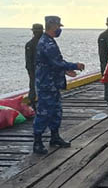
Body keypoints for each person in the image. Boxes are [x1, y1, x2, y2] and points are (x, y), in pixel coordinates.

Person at [33, 16, 85, 154]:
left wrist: (66, 70)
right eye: (58, 27)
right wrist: (75, 65)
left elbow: (54, 63)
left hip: (53, 83)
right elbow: (56, 62)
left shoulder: (49, 41)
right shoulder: (47, 43)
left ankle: (54, 137)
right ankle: (37, 142)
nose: (60, 29)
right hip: (46, 84)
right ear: (52, 26)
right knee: (44, 112)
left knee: (56, 111)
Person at [25, 23, 44, 110]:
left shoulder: (31, 44)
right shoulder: (31, 44)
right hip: (36, 70)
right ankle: (34, 104)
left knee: (34, 87)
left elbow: (28, 61)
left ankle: (34, 104)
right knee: (33, 87)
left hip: (39, 70)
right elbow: (29, 61)